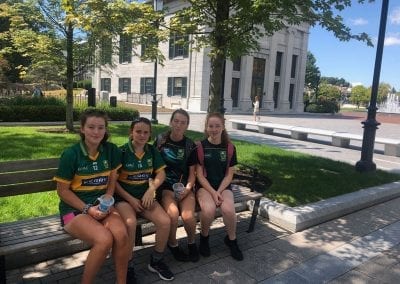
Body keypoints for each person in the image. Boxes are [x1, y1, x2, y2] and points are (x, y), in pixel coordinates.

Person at [53, 109, 131, 284]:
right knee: (104, 240)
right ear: (82, 129)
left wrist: (107, 200)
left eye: (100, 127)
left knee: (121, 235)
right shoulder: (71, 154)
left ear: (105, 130)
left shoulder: (110, 150)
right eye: (91, 127)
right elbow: (62, 191)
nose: (96, 132)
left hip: (102, 207)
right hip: (74, 211)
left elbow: (112, 180)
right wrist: (88, 209)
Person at [115, 117, 174, 281]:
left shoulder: (152, 151)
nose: (142, 135)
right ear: (131, 132)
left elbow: (161, 173)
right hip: (123, 198)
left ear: (150, 135)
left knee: (165, 221)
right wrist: (131, 199)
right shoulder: (121, 152)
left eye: (146, 132)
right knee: (130, 223)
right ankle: (128, 265)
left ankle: (156, 261)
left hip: (145, 197)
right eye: (138, 131)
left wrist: (152, 188)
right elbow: (114, 183)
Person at [195, 112, 244, 261]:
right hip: (204, 187)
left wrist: (219, 191)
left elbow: (229, 175)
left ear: (223, 127)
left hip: (223, 186)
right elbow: (199, 175)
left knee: (228, 209)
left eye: (217, 126)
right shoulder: (200, 147)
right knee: (208, 210)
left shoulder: (229, 148)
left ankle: (232, 240)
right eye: (211, 126)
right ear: (206, 127)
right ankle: (204, 238)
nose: (214, 129)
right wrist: (213, 192)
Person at [155, 109, 199, 262]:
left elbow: (193, 173)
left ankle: (192, 243)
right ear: (171, 122)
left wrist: (187, 189)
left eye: (183, 123)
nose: (179, 125)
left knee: (188, 217)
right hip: (166, 187)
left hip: (185, 187)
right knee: (173, 214)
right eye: (176, 121)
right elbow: (153, 164)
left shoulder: (189, 145)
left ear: (187, 125)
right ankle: (173, 245)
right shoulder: (161, 140)